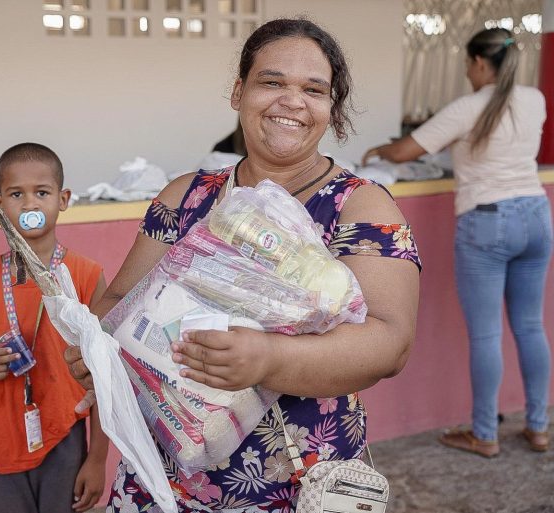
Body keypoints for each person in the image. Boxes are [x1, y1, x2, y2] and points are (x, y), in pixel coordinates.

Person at [67, 18, 422, 512]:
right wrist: (98, 350)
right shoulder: (187, 195)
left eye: (313, 90)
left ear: (330, 107)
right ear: (239, 92)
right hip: (163, 481)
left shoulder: (359, 206)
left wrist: (268, 359)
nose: (292, 101)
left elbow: (390, 344)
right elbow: (119, 302)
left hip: (294, 483)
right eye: (272, 82)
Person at [362, 28, 551, 456]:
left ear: (480, 63)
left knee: (486, 335)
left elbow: (406, 151)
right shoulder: (534, 99)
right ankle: (539, 427)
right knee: (530, 326)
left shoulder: (469, 107)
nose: (467, 73)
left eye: (468, 64)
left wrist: (378, 152)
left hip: (489, 220)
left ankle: (484, 434)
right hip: (536, 215)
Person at [0, 143, 109, 512]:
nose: (29, 204)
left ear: (63, 199)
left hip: (65, 434)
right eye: (16, 195)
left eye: (41, 192)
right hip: (0, 438)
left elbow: (105, 376)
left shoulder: (87, 276)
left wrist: (97, 459)